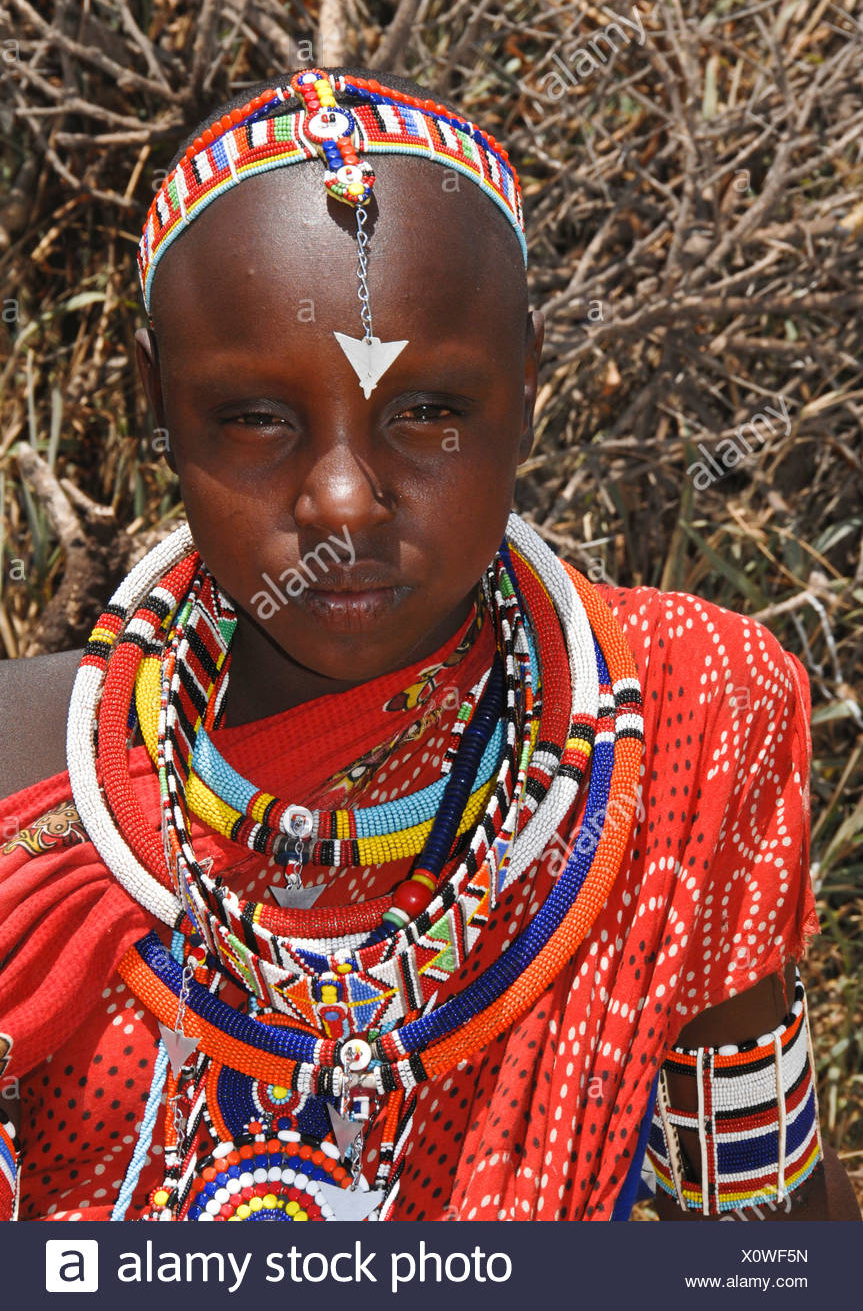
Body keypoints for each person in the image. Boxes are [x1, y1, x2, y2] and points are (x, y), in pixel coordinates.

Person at [0, 66, 858, 1224]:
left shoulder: (684, 725)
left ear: (528, 376)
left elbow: (764, 1247)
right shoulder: (28, 781)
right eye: (255, 417)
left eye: (428, 412)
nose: (345, 502)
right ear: (156, 393)